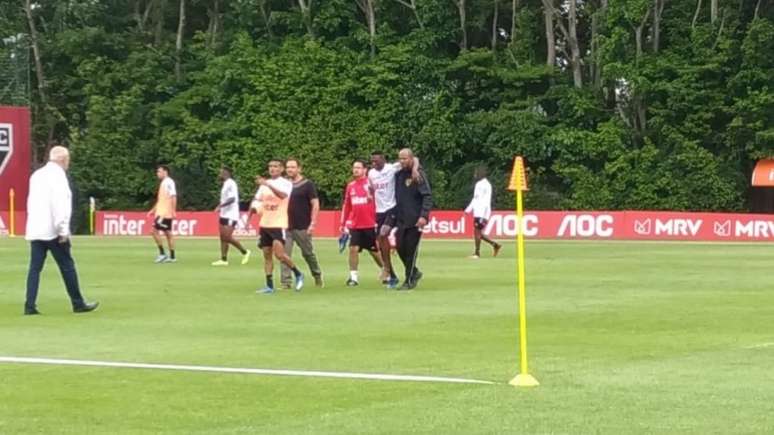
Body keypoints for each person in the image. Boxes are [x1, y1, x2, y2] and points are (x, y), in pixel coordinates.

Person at [24, 146, 99, 315]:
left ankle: (29, 305)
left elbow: (32, 202)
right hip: (53, 231)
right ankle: (78, 303)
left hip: (36, 229)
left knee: (34, 268)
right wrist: (63, 230)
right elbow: (60, 205)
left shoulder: (37, 175)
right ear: (64, 160)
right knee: (67, 266)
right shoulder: (59, 177)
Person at [249, 159, 305, 294]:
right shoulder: (263, 186)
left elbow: (282, 196)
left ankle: (298, 273)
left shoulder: (285, 183)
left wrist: (267, 184)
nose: (272, 169)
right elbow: (258, 200)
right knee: (267, 255)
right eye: (270, 166)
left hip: (278, 224)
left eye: (275, 166)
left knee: (279, 255)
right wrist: (252, 210)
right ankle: (269, 285)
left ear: (281, 169)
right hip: (265, 224)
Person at [368, 151, 419, 289]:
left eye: (376, 161)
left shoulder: (391, 168)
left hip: (392, 208)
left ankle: (386, 269)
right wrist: (369, 193)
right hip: (379, 211)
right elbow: (372, 187)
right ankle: (395, 273)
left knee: (383, 234)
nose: (374, 164)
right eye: (372, 161)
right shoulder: (371, 173)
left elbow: (414, 159)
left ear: (383, 160)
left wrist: (414, 169)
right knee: (380, 240)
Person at [281, 159, 324, 288]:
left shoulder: (307, 184)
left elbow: (315, 204)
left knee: (308, 253)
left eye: (293, 167)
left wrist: (313, 223)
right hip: (285, 225)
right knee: (284, 255)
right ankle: (286, 282)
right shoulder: (284, 184)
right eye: (288, 167)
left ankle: (317, 275)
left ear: (299, 169)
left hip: (302, 225)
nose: (290, 170)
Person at [394, 148, 432, 290]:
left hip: (415, 219)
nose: (402, 161)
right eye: (400, 158)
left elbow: (427, 196)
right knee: (399, 247)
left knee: (411, 251)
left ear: (411, 159)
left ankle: (409, 281)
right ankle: (415, 272)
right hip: (401, 219)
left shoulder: (418, 174)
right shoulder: (398, 174)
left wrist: (424, 216)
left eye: (405, 158)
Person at [341, 159, 383, 286]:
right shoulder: (351, 186)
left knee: (374, 251)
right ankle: (353, 278)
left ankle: (386, 270)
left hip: (370, 224)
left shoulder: (371, 184)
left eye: (358, 167)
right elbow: (347, 205)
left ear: (365, 170)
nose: (355, 170)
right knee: (353, 249)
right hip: (355, 224)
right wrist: (343, 224)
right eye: (354, 167)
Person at [212, 166, 251, 266]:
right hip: (224, 214)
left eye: (221, 172)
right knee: (222, 237)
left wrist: (220, 206)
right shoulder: (225, 184)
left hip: (231, 214)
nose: (219, 174)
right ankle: (223, 259)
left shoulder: (231, 183)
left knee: (227, 237)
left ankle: (245, 252)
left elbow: (232, 199)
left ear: (227, 172)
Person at [465, 166, 501, 259]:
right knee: (477, 232)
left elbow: (476, 198)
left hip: (481, 211)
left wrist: (468, 209)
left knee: (477, 232)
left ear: (481, 174)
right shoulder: (487, 184)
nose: (475, 175)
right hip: (483, 211)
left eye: (476, 173)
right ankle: (495, 245)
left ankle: (477, 253)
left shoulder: (480, 184)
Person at [147, 165, 177, 263]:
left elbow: (173, 196)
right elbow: (161, 200)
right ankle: (172, 257)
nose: (157, 173)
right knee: (168, 233)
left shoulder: (169, 182)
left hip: (164, 213)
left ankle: (162, 254)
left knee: (153, 231)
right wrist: (153, 210)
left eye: (159, 171)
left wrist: (173, 210)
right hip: (161, 212)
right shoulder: (164, 183)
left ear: (165, 172)